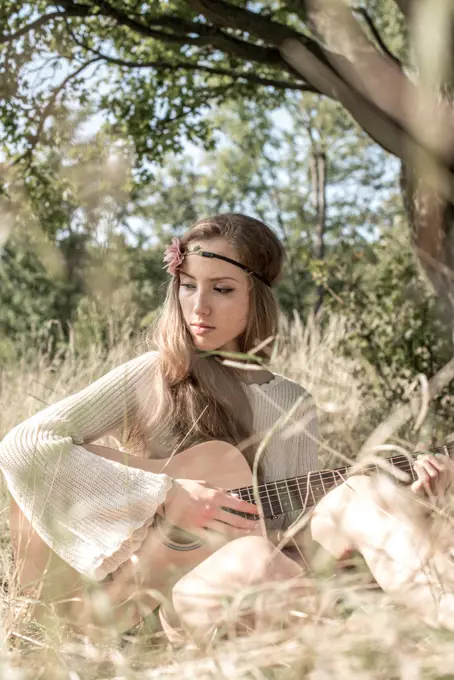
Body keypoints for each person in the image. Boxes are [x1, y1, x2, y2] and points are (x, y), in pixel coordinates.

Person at [0, 213, 320, 641]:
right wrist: (166, 495)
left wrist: (400, 486)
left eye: (221, 289)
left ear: (257, 299)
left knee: (267, 557)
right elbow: (23, 444)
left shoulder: (294, 404)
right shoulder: (154, 375)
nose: (198, 306)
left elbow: (299, 530)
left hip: (237, 582)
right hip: (144, 602)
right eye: (188, 286)